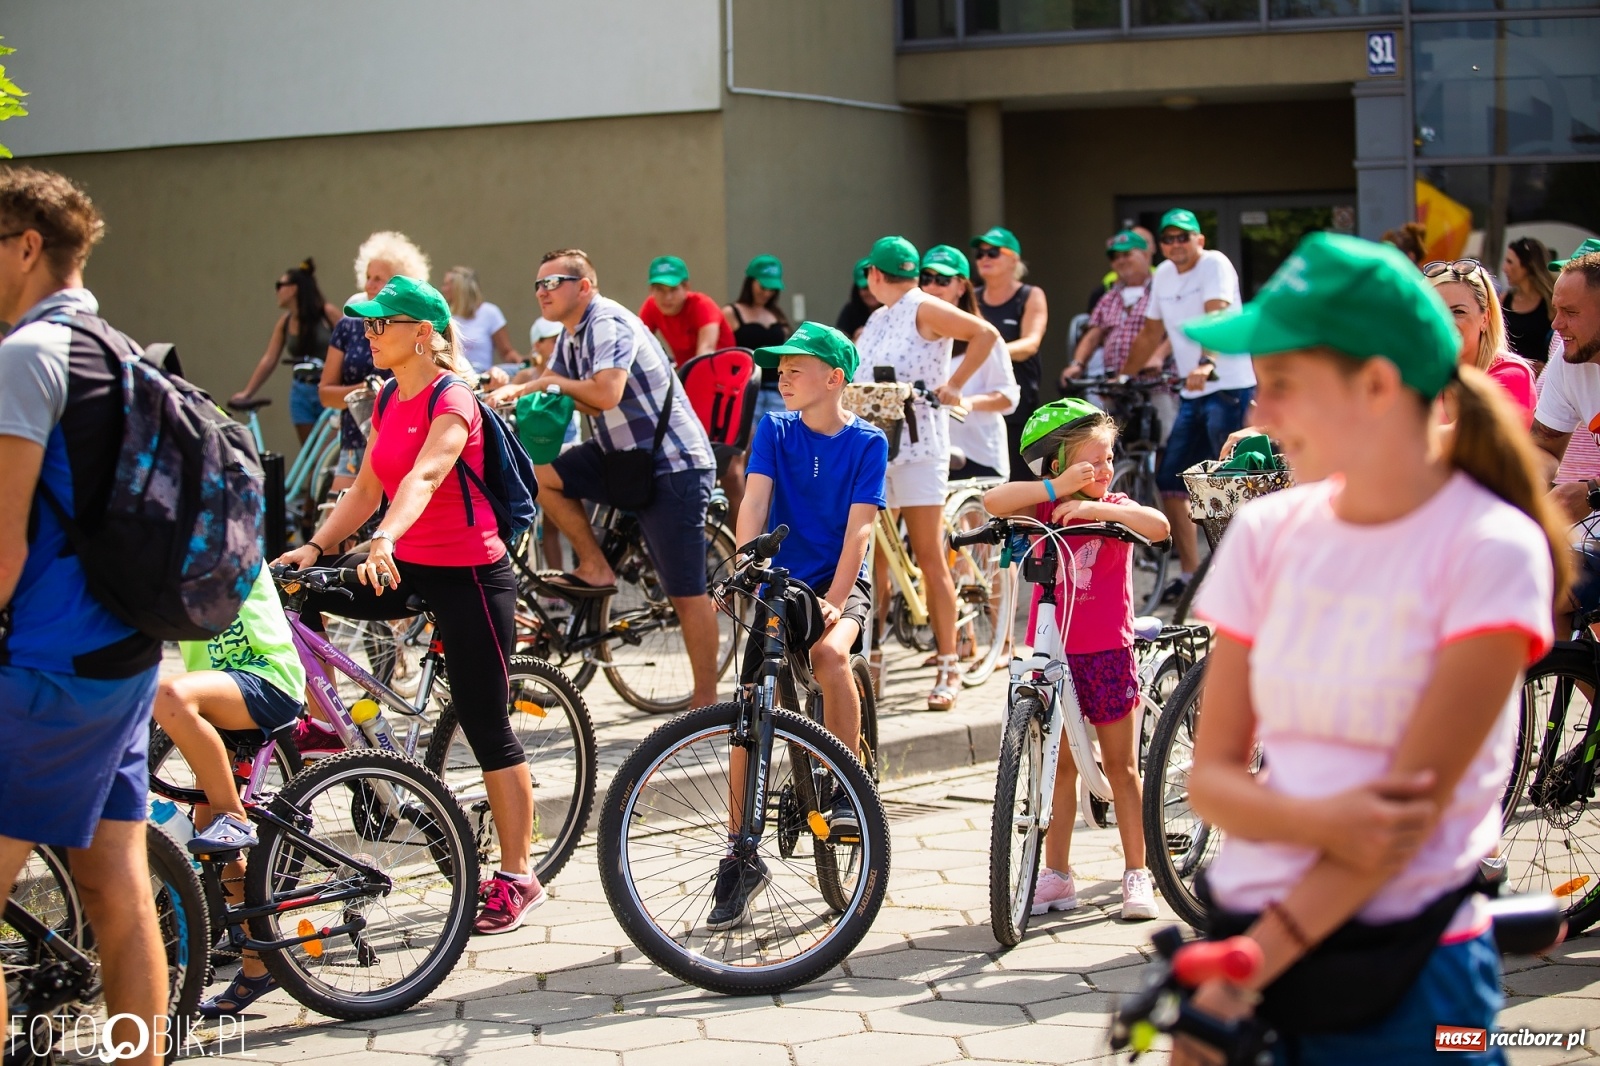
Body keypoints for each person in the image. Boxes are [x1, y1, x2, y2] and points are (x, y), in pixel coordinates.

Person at [1172, 232, 1566, 1065]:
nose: (1259, 414)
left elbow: (1401, 828)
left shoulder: (1489, 546)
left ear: (1379, 385)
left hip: (1406, 977)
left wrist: (1241, 976)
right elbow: (1208, 780)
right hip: (1243, 943)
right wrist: (1320, 823)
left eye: (1284, 385)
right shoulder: (1267, 531)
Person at [276, 275, 545, 935]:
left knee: (487, 727)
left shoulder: (454, 397)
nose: (368, 335)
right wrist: (313, 546)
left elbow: (428, 472)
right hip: (405, 562)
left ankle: (518, 876)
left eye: (380, 325)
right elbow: (368, 486)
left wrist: (385, 538)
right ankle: (331, 722)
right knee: (299, 594)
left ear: (421, 333)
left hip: (471, 576)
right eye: (366, 324)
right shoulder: (391, 395)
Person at [0, 166, 170, 1065]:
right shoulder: (121, 346)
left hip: (48, 666)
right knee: (116, 887)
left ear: (27, 246)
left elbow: (5, 546)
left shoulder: (26, 358)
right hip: (125, 654)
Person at [488, 249, 723, 708]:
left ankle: (708, 701)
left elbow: (605, 391)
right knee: (540, 475)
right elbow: (548, 376)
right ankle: (596, 566)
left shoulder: (606, 322)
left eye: (552, 282)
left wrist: (539, 386)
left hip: (671, 463)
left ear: (584, 286)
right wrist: (507, 382)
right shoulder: (571, 333)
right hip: (622, 458)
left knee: (686, 591)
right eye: (536, 285)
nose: (541, 292)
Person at [715, 321, 890, 929]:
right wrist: (745, 566)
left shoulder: (867, 442)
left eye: (796, 368)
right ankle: (739, 851)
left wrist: (837, 599)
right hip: (777, 582)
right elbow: (755, 502)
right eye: (780, 368)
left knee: (832, 658)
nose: (782, 377)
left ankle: (843, 783)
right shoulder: (775, 428)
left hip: (837, 580)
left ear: (834, 378)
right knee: (746, 711)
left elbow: (860, 529)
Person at [982, 398, 1170, 921]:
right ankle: (1057, 875)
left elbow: (1157, 526)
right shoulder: (1044, 507)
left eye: (1108, 459)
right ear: (1060, 467)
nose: (1103, 470)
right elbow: (992, 500)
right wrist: (1055, 492)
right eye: (1091, 463)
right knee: (1059, 767)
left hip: (1106, 651)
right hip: (1054, 655)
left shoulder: (1119, 507)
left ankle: (1138, 872)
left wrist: (1095, 507)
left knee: (1122, 767)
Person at [852, 235, 1003, 711]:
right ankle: (870, 657)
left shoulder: (922, 307)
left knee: (929, 556)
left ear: (875, 275)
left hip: (919, 447)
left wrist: (954, 386)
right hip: (879, 445)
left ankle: (948, 664)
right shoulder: (878, 318)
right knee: (873, 557)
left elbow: (985, 334)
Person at [154, 566, 307, 1014]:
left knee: (168, 694)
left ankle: (234, 817)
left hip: (265, 679)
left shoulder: (218, 534)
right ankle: (260, 963)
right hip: (218, 699)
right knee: (214, 848)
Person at [1121, 209, 1255, 601]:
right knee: (1172, 482)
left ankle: (1240, 574)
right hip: (1193, 393)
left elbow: (1215, 315)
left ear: (1199, 239)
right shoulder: (1162, 274)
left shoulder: (1214, 264)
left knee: (1227, 485)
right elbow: (1150, 331)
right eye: (1168, 238)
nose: (1176, 244)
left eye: (1184, 237)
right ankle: (1192, 574)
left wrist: (1206, 360)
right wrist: (1124, 377)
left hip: (1228, 385)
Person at [321, 231, 430, 494]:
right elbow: (325, 393)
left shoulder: (413, 328)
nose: (369, 285)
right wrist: (366, 392)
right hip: (354, 442)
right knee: (336, 518)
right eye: (368, 277)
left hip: (405, 442)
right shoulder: (348, 325)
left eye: (378, 279)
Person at [1063, 229, 1179, 440]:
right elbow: (1093, 334)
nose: (1121, 261)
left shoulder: (1163, 289)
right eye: (1116, 257)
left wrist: (1158, 356)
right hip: (1116, 384)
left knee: (1165, 440)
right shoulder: (1109, 297)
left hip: (1155, 381)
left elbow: (1178, 328)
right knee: (1102, 439)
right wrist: (1077, 364)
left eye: (1127, 254)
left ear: (1145, 255)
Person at [919, 244, 1019, 480]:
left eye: (942, 280)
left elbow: (1008, 396)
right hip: (930, 452)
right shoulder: (916, 334)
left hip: (978, 453)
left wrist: (966, 402)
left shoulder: (984, 337)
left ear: (961, 287)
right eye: (926, 278)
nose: (933, 286)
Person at [232, 258, 341, 443]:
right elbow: (269, 359)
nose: (277, 291)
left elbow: (353, 342)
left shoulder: (327, 313)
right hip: (301, 391)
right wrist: (247, 392)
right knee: (309, 456)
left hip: (328, 388)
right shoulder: (285, 322)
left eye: (279, 285)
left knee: (327, 454)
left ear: (293, 288)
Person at [971, 226, 1049, 483]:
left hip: (1017, 401)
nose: (984, 258)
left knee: (1018, 478)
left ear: (1013, 259)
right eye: (980, 253)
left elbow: (1030, 344)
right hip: (978, 399)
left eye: (993, 252)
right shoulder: (972, 297)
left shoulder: (1029, 295)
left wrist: (989, 351)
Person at [1529, 241, 1600, 522]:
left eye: (1570, 313)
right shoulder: (1568, 358)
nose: (1556, 325)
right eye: (1556, 309)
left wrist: (1592, 493)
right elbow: (1543, 448)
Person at [1424, 258, 1535, 425]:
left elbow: (1470, 439)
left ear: (1485, 318)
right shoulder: (1421, 378)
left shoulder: (1512, 373)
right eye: (1435, 310)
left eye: (1458, 311)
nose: (1445, 322)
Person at [724, 254, 792, 425]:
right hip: (746, 391)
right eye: (763, 287)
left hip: (777, 391)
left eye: (772, 289)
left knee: (781, 443)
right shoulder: (731, 313)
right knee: (747, 445)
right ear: (750, 282)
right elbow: (724, 356)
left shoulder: (777, 315)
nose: (767, 293)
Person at [638, 255, 735, 368]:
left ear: (686, 287)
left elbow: (706, 350)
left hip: (723, 374)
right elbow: (638, 343)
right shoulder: (651, 306)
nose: (667, 297)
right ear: (651, 290)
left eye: (673, 289)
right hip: (685, 374)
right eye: (660, 289)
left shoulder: (703, 305)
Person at [442, 265, 517, 381]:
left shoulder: (490, 313)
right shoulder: (445, 315)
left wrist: (525, 363)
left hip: (482, 380)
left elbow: (507, 352)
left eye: (447, 284)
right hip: (452, 379)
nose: (443, 289)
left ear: (459, 288)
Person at [1501, 236, 1557, 368]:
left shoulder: (1551, 303)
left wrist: (1546, 367)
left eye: (1510, 262)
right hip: (1508, 376)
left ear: (1527, 266)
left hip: (1539, 382)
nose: (1504, 268)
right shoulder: (1504, 300)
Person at [835, 257, 880, 340]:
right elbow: (838, 345)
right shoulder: (850, 311)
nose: (871, 292)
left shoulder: (894, 308)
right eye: (865, 288)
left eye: (874, 286)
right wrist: (854, 341)